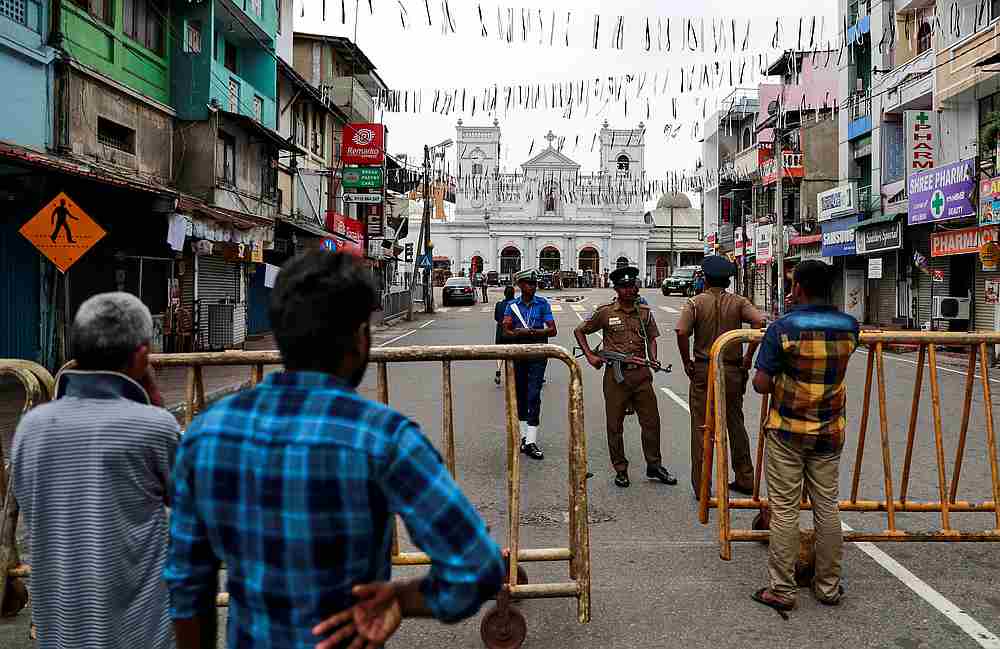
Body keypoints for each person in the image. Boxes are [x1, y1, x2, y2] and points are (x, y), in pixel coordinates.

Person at [164, 251, 504, 649]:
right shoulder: (383, 438)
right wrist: (402, 598)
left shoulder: (206, 432)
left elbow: (187, 585)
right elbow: (478, 567)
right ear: (360, 337)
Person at [13, 292, 179, 649]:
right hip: (140, 634)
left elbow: (31, 505)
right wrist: (153, 399)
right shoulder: (154, 427)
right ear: (142, 355)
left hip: (60, 630)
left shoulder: (32, 426)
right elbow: (187, 500)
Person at [749, 260, 860, 612]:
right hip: (829, 430)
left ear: (798, 288)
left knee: (784, 511)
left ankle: (783, 590)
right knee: (827, 508)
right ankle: (827, 586)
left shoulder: (784, 328)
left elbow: (761, 383)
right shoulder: (850, 327)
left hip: (788, 431)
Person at [575, 266, 677, 488]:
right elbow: (580, 330)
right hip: (615, 376)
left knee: (652, 423)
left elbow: (652, 338)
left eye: (633, 285)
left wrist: (654, 358)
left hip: (641, 375)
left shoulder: (645, 312)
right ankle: (620, 469)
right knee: (615, 425)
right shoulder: (606, 312)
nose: (631, 290)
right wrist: (590, 356)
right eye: (626, 287)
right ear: (617, 289)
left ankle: (654, 465)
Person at [675, 255, 767, 498]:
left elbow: (682, 331)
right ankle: (745, 477)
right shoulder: (738, 302)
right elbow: (760, 322)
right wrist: (749, 356)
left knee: (702, 427)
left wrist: (687, 362)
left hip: (705, 369)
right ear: (728, 280)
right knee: (735, 422)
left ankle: (702, 485)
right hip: (733, 369)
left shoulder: (695, 303)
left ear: (704, 278)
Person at [503, 269, 557, 460]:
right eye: (528, 284)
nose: (532, 287)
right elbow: (506, 330)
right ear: (520, 285)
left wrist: (536, 332)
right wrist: (519, 333)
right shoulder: (512, 306)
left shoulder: (542, 304)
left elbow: (552, 330)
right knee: (520, 395)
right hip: (519, 353)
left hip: (538, 354)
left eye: (534, 284)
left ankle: (531, 440)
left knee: (534, 395)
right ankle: (523, 438)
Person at [494, 284, 517, 385]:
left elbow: (496, 317)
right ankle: (512, 375)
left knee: (500, 353)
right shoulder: (516, 305)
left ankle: (498, 370)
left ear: (504, 294)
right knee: (513, 353)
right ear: (513, 294)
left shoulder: (499, 305)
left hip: (500, 332)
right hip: (512, 332)